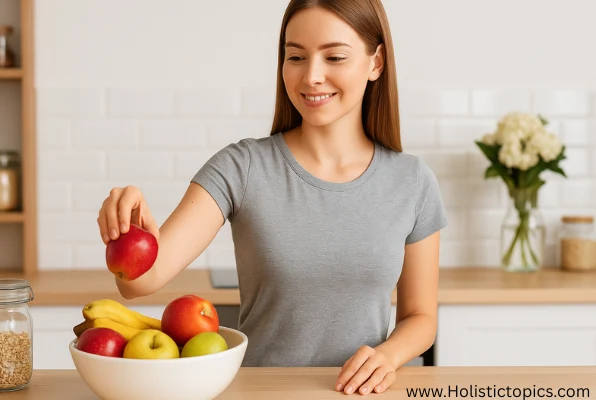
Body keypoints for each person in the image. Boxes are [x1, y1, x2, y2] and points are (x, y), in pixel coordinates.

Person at [96, 0, 448, 396]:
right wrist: (128, 231)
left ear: (376, 63)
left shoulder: (412, 181)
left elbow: (420, 316)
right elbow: (141, 282)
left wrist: (388, 355)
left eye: (334, 56)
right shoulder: (242, 167)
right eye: (295, 56)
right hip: (260, 392)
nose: (312, 76)